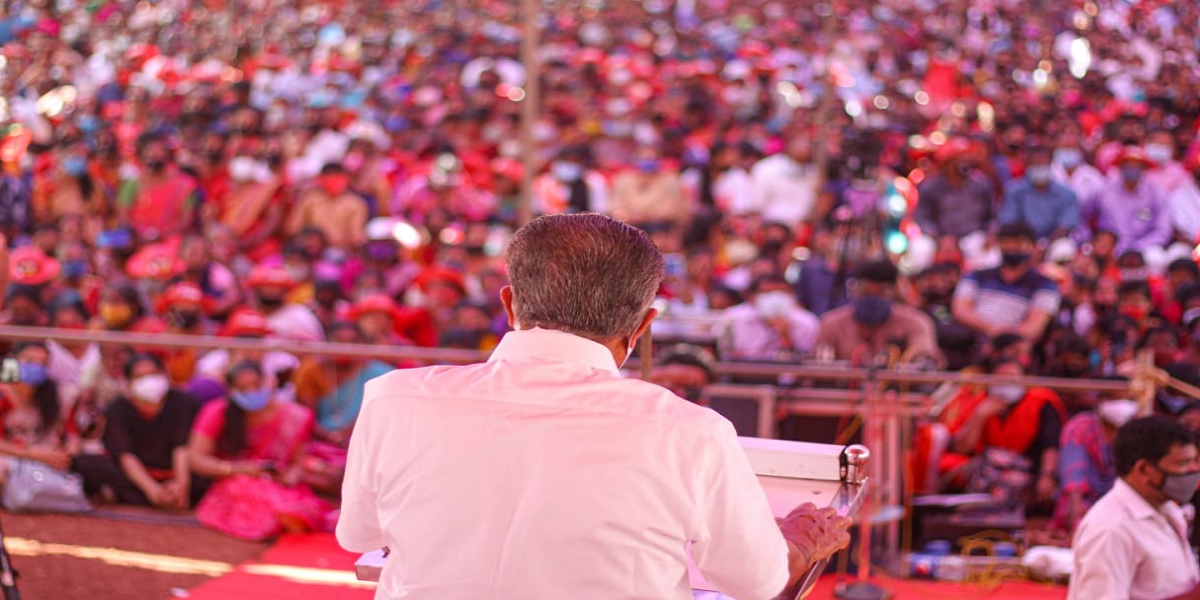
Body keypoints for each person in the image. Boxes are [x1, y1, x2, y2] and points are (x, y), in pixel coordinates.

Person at [337, 214, 851, 600]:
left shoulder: (394, 398)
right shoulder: (691, 432)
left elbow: (357, 534)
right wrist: (797, 542)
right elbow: (756, 581)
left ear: (510, 305)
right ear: (642, 325)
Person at [189, 360, 329, 541]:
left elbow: (298, 462)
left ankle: (281, 519)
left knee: (299, 506)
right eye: (243, 388)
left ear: (268, 382)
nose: (252, 392)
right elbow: (196, 459)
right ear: (232, 391)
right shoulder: (217, 412)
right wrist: (237, 469)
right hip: (233, 480)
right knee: (244, 489)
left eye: (256, 385)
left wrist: (291, 475)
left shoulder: (295, 416)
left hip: (278, 482)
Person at [1068, 416, 1200, 600]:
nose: (1194, 470)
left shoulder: (1169, 510)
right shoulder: (1111, 529)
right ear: (1144, 469)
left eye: (1195, 461)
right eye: (1183, 464)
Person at [72, 354, 204, 508]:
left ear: (165, 375)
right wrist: (153, 491)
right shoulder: (118, 409)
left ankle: (142, 496)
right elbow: (126, 456)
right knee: (84, 463)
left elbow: (182, 447)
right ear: (128, 383)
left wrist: (182, 486)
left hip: (178, 470)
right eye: (140, 377)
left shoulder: (185, 403)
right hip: (136, 474)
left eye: (153, 374)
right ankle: (155, 497)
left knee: (206, 478)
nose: (149, 381)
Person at [813, 260, 942, 366]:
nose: (872, 298)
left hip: (896, 394)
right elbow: (817, 365)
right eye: (864, 291)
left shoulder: (915, 322)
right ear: (852, 291)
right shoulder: (832, 323)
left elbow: (924, 358)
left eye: (881, 292)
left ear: (894, 293)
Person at [952, 222, 1060, 342]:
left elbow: (1034, 327)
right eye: (1007, 242)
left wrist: (1003, 339)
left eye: (1018, 242)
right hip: (971, 340)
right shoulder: (976, 275)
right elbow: (960, 311)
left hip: (1015, 346)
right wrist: (991, 330)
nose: (1012, 247)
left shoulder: (1045, 284)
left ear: (1033, 246)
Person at [1052, 398, 1140, 534]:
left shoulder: (1137, 429)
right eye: (1116, 398)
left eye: (1126, 398)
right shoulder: (1081, 426)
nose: (1122, 404)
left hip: (1122, 499)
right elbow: (1073, 467)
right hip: (1084, 498)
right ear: (1101, 401)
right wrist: (1076, 504)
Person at [998, 146, 1079, 241]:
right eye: (1035, 164)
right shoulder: (1014, 191)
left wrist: (1045, 245)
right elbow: (1009, 222)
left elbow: (1065, 226)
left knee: (1064, 247)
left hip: (1054, 241)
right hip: (1021, 240)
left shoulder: (1067, 194)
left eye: (1042, 164)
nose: (1039, 167)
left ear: (1050, 164)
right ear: (1027, 166)